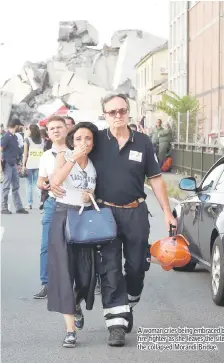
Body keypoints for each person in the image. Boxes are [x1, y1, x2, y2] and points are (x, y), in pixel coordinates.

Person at [51, 92, 177, 347]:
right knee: (109, 268)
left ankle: (129, 303)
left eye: (122, 111)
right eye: (112, 112)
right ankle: (116, 324)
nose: (118, 116)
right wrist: (48, 181)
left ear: (128, 111)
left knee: (136, 266)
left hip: (136, 212)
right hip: (105, 214)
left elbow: (155, 179)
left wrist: (166, 210)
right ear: (105, 115)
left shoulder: (143, 142)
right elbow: (72, 157)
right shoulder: (97, 140)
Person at [47, 122, 99, 347]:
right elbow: (56, 182)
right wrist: (71, 158)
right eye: (78, 138)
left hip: (85, 218)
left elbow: (93, 186)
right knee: (65, 273)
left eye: (87, 139)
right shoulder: (64, 155)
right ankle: (70, 330)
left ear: (93, 142)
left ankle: (77, 303)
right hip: (64, 216)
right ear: (72, 140)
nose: (83, 143)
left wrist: (91, 194)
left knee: (87, 274)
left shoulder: (95, 162)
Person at [33, 116, 68, 299]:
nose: (55, 130)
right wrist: (42, 185)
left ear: (66, 129)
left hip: (74, 205)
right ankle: (46, 283)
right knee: (46, 245)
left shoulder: (76, 152)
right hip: (52, 204)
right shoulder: (46, 156)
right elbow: (41, 180)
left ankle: (81, 282)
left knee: (77, 244)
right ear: (48, 133)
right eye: (52, 128)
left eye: (59, 127)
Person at [1, 119, 28, 214]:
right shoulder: (6, 137)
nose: (20, 127)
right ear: (15, 126)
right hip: (7, 163)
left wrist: (18, 163)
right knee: (6, 186)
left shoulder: (14, 137)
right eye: (19, 126)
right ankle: (4, 207)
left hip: (14, 164)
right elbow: (0, 149)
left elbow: (16, 151)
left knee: (16, 186)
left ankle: (18, 207)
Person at [22, 124, 44, 209]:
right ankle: (41, 201)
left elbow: (25, 154)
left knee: (29, 184)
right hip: (39, 165)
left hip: (30, 165)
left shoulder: (27, 140)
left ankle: (29, 203)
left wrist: (23, 165)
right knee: (37, 184)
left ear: (30, 130)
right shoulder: (42, 140)